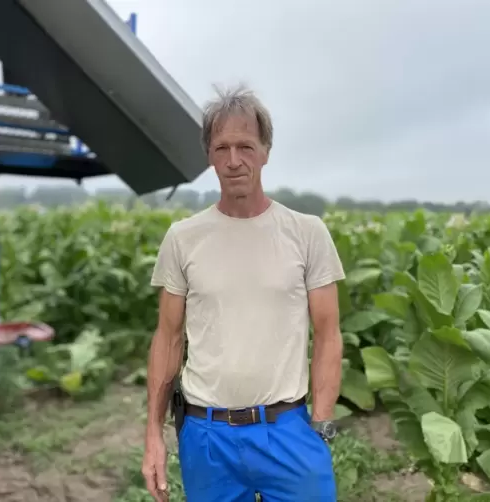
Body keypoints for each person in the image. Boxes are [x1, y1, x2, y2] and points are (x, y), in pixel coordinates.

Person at [142, 84, 345, 502]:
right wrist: (153, 435)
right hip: (206, 435)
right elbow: (168, 337)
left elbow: (328, 334)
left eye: (246, 146)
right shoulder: (183, 239)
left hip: (287, 429)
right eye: (221, 148)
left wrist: (320, 426)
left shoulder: (307, 233)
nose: (233, 161)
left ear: (266, 150)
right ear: (209, 155)